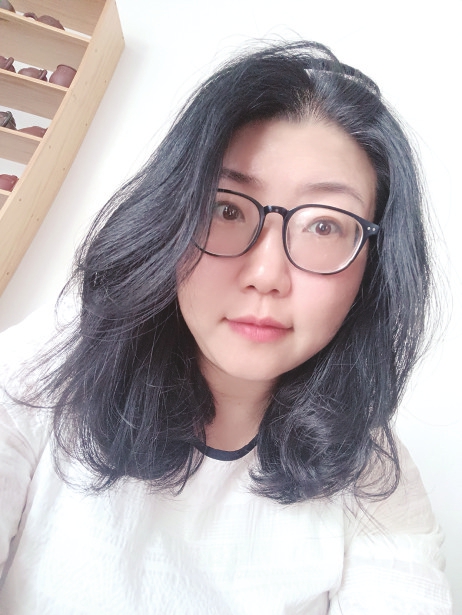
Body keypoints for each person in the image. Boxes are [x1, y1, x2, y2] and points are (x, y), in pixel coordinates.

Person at [0, 41, 453, 613]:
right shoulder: (47, 369)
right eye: (227, 208)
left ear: (372, 269)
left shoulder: (372, 472)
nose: (266, 275)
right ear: (172, 214)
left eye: (324, 227)